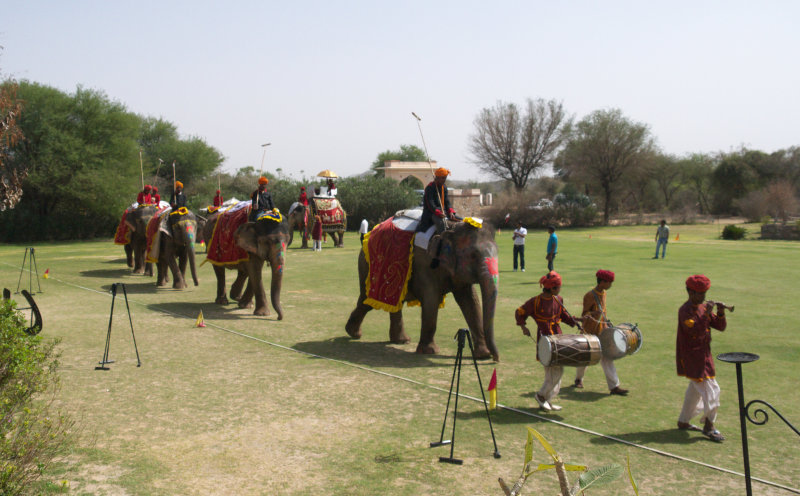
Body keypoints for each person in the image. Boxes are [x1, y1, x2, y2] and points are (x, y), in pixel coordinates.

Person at [515, 271, 583, 412]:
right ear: (552, 288)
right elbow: (520, 312)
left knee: (558, 371)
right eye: (558, 287)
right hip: (545, 340)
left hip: (559, 339)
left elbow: (564, 316)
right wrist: (523, 327)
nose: (560, 290)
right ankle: (541, 396)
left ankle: (548, 399)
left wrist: (577, 321)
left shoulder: (558, 299)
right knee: (553, 372)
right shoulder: (535, 302)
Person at [676, 274, 727, 442]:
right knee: (712, 390)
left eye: (705, 293)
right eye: (700, 293)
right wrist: (707, 313)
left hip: (704, 355)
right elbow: (694, 331)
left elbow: (720, 327)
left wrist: (720, 312)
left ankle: (684, 421)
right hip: (692, 357)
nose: (704, 297)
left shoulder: (703, 307)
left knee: (695, 391)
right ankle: (709, 426)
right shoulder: (685, 311)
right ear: (690, 292)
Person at [573, 270, 628, 395]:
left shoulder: (603, 293)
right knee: (585, 357)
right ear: (602, 282)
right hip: (589, 331)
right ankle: (578, 379)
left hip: (602, 331)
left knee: (607, 358)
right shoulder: (589, 295)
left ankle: (614, 386)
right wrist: (593, 313)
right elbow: (584, 314)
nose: (611, 285)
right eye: (610, 283)